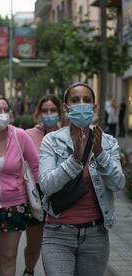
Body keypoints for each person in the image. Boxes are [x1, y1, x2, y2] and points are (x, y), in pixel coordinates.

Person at [39, 82, 125, 276]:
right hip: (58, 234)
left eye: (87, 100)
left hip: (95, 235)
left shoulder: (108, 142)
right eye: (75, 100)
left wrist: (101, 154)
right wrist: (74, 161)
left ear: (94, 107)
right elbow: (46, 185)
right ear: (65, 107)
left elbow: (118, 183)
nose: (81, 104)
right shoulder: (52, 141)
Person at [0, 95, 39, 276]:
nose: (3, 114)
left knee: (9, 257)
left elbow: (36, 166)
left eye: (5, 110)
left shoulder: (20, 136)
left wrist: (46, 193)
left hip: (15, 206)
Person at [23, 94, 62, 276]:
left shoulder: (67, 134)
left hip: (61, 195)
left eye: (52, 110)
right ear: (38, 113)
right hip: (36, 196)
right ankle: (29, 271)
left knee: (58, 245)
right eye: (45, 111)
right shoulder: (28, 135)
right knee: (34, 243)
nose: (49, 114)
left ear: (60, 112)